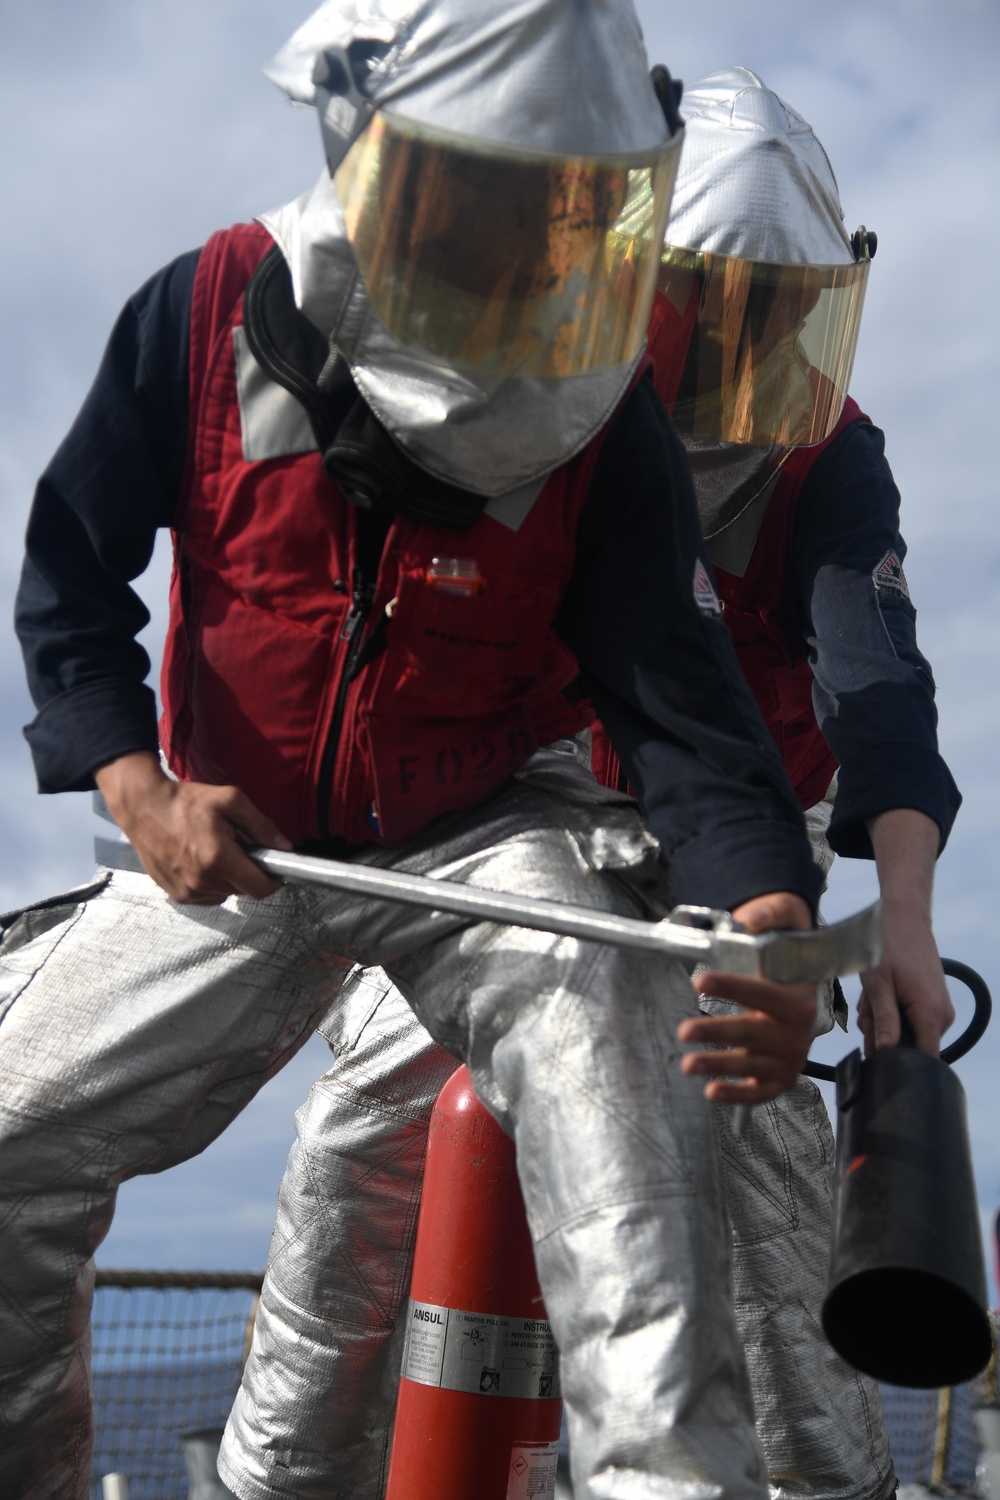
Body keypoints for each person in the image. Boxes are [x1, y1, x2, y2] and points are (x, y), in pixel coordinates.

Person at [4, 8, 826, 1500]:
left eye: (559, 210)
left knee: (616, 1079)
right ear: (371, 151)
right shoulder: (201, 311)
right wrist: (138, 788)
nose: (519, 247)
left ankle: (669, 1480)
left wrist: (765, 914)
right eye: (482, 196)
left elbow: (682, 705)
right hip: (238, 842)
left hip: (477, 838)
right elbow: (68, 574)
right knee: (7, 1140)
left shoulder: (599, 423)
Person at [236, 67, 962, 1500]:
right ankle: (283, 1482)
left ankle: (835, 1488)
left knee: (772, 1187)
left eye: (776, 320)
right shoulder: (545, 414)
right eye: (712, 316)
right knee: (362, 1138)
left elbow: (878, 682)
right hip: (539, 818)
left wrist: (906, 918)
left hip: (763, 847)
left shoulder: (829, 456)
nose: (738, 367)